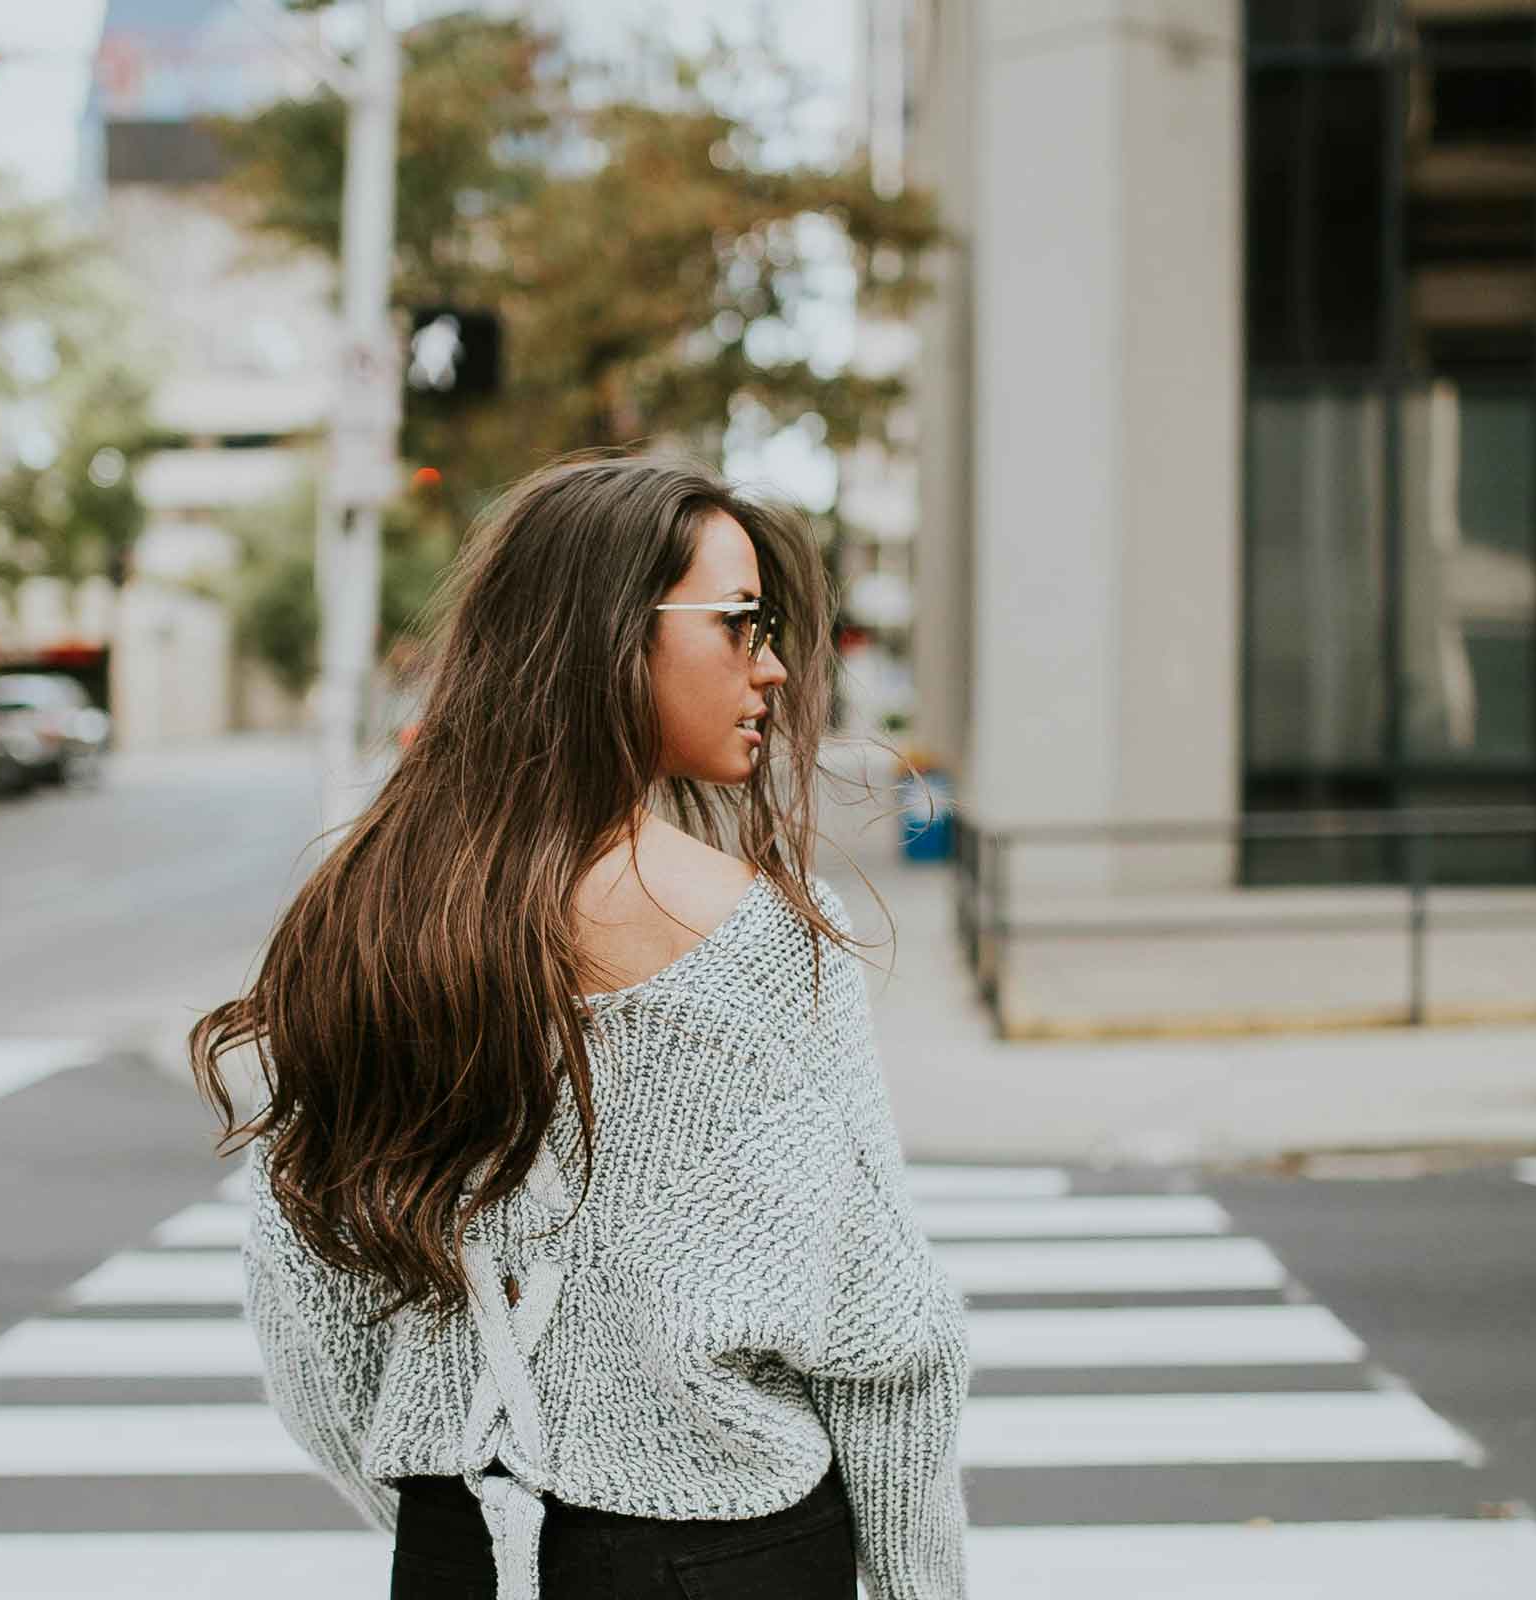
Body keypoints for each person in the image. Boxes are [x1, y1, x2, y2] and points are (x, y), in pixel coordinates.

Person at [189, 451, 970, 1600]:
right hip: (728, 1553)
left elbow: (307, 1306)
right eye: (741, 624)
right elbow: (887, 1338)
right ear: (615, 633)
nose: (776, 666)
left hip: (460, 1544)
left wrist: (451, 1511)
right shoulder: (761, 943)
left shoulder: (371, 914)